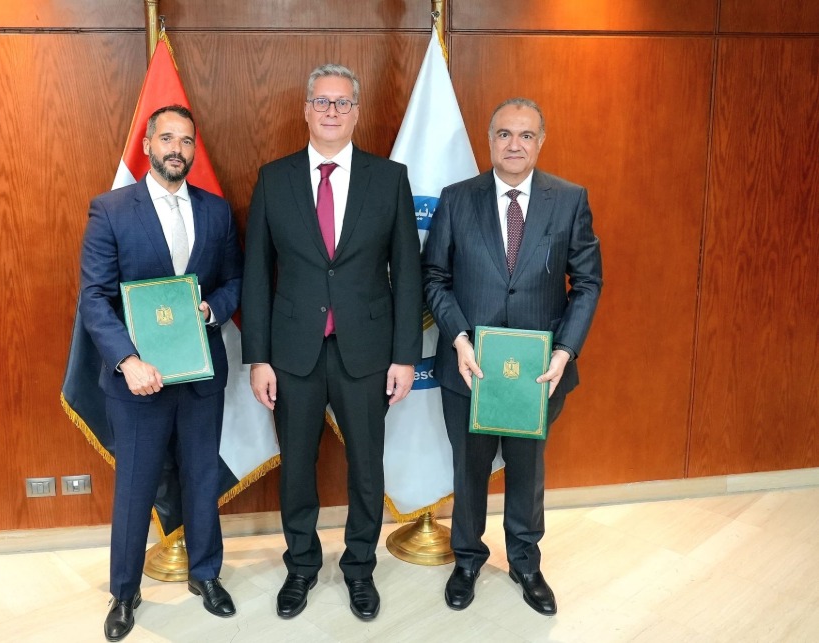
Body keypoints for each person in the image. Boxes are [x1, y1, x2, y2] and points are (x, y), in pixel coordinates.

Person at [241, 63, 422, 621]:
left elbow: (408, 274)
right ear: (305, 109)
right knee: (296, 465)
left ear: (357, 112)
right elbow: (256, 274)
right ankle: (300, 565)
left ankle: (360, 568)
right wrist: (257, 358)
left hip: (366, 351)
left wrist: (405, 357)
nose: (332, 111)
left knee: (367, 467)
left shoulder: (388, 178)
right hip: (292, 352)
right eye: (322, 101)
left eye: (343, 103)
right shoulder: (274, 178)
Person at [422, 98, 603, 616]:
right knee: (469, 468)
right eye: (504, 134)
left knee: (527, 470)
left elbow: (587, 282)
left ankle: (525, 561)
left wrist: (566, 350)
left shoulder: (568, 200)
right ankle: (467, 559)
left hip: (538, 373)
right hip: (469, 367)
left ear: (541, 141)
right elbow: (434, 276)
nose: (514, 144)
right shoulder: (458, 199)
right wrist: (457, 336)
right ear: (489, 139)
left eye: (526, 135)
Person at [79, 104, 243, 640]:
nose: (178, 148)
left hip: (200, 375)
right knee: (135, 487)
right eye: (167, 138)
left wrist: (210, 310)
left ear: (195, 150)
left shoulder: (217, 212)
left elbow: (234, 282)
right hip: (137, 382)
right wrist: (128, 362)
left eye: (187, 141)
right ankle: (124, 593)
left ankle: (206, 576)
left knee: (201, 477)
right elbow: (95, 299)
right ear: (147, 145)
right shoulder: (110, 210)